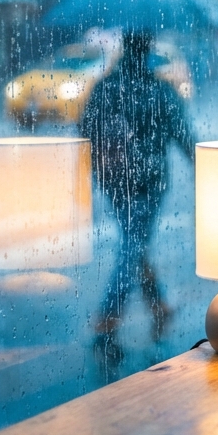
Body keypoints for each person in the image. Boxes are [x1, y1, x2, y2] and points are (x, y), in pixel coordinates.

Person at [79, 30, 195, 351]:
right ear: (148, 50)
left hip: (112, 178)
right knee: (133, 243)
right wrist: (206, 169)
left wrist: (100, 164)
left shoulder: (105, 87)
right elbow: (184, 135)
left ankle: (156, 306)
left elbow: (85, 130)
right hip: (151, 181)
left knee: (133, 240)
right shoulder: (160, 90)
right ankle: (110, 316)